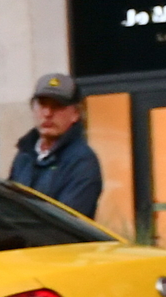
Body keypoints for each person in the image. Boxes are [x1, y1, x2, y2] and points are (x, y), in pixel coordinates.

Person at [7, 72, 103, 218]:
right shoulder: (24, 155)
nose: (47, 113)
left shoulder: (82, 161)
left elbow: (67, 221)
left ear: (75, 114)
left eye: (57, 106)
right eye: (42, 105)